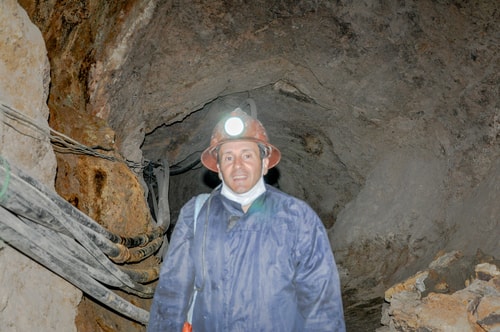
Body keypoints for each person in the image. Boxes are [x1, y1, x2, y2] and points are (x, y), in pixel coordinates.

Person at [148, 107, 346, 331]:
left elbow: (322, 304)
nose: (238, 165)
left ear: (264, 164)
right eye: (229, 157)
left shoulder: (297, 217)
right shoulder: (194, 215)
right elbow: (171, 296)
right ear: (219, 169)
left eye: (247, 155)